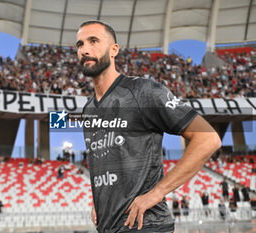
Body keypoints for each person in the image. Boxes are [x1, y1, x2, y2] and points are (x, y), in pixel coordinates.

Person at [77, 20, 221, 233]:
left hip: (147, 226)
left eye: (94, 41)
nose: (84, 50)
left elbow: (208, 138)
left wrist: (158, 192)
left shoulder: (143, 91)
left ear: (114, 49)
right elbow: (108, 162)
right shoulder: (88, 110)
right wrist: (102, 201)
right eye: (79, 44)